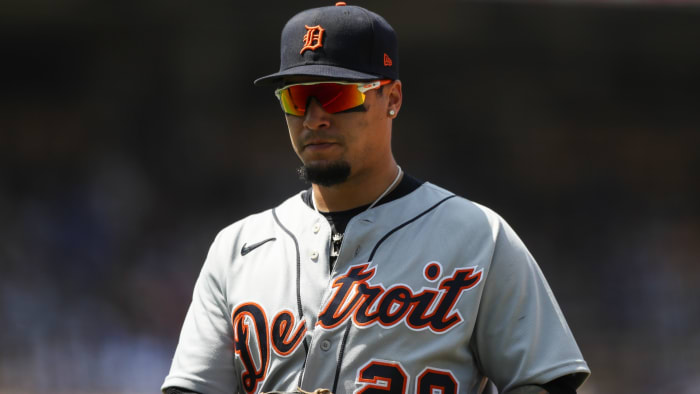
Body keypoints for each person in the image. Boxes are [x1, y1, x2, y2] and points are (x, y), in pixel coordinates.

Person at [161, 2, 590, 393]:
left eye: (336, 94)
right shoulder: (237, 248)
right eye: (296, 97)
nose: (315, 118)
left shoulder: (479, 237)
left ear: (393, 98)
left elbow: (545, 381)